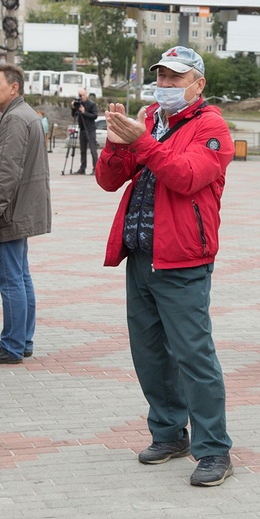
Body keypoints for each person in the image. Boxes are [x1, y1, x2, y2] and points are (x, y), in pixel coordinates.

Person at [96, 45, 235, 487]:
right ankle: (170, 433)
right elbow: (108, 181)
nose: (166, 85)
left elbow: (186, 176)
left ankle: (214, 450)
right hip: (141, 255)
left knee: (194, 356)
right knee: (150, 353)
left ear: (198, 83)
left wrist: (141, 141)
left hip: (182, 259)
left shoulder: (210, 125)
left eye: (176, 77)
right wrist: (117, 146)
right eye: (162, 76)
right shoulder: (151, 117)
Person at [0, 64, 51, 365]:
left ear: (14, 88)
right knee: (20, 276)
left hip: (11, 212)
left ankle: (12, 345)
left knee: (10, 279)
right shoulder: (22, 114)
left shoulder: (16, 119)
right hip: (19, 210)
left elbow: (7, 171)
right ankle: (23, 340)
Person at [71, 87, 99, 175]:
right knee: (82, 150)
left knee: (93, 150)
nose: (81, 97)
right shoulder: (78, 104)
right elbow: (74, 115)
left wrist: (84, 112)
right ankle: (82, 168)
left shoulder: (91, 104)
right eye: (79, 95)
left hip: (90, 129)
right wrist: (73, 107)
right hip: (82, 129)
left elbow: (95, 116)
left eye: (82, 95)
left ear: (85, 95)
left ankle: (96, 169)